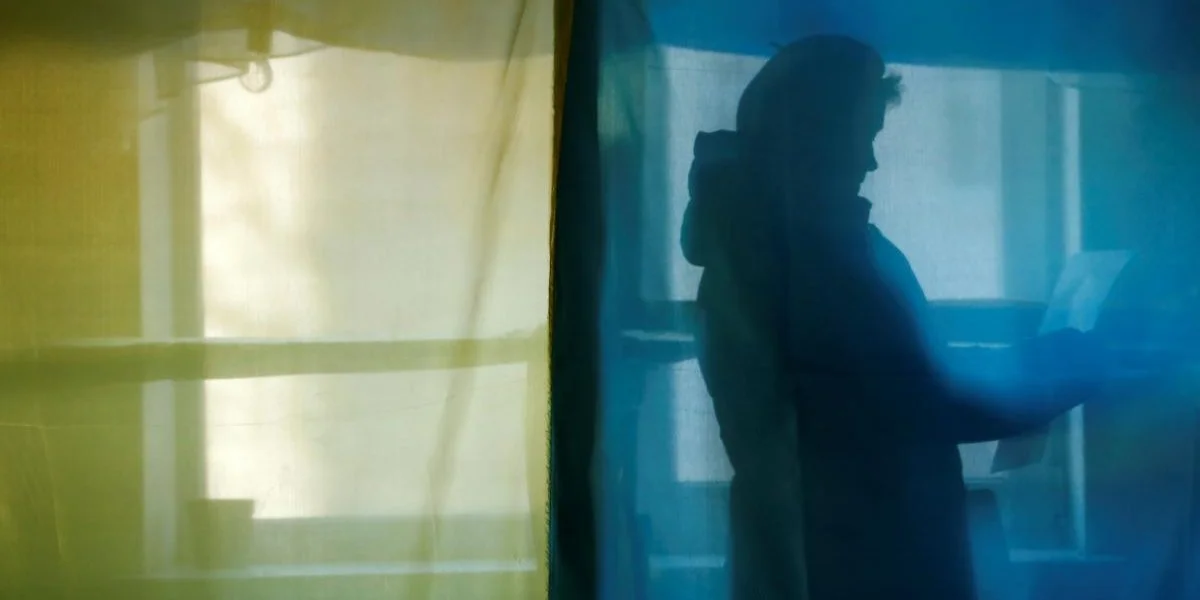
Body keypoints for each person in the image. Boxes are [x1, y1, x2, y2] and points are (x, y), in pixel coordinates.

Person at [681, 35, 1103, 599]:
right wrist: (1079, 361)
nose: (871, 161)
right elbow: (923, 400)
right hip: (858, 561)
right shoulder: (807, 264)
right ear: (813, 137)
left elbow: (910, 380)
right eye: (862, 137)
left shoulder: (775, 250)